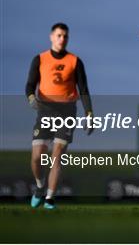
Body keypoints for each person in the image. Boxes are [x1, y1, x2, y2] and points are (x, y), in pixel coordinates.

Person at [25, 23, 94, 209]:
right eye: (59, 35)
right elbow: (30, 86)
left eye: (65, 36)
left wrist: (89, 113)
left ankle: (49, 198)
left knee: (57, 156)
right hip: (45, 111)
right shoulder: (39, 59)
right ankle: (40, 187)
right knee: (37, 157)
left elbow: (84, 89)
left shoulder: (75, 61)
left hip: (67, 112)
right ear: (51, 36)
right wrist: (31, 98)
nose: (62, 39)